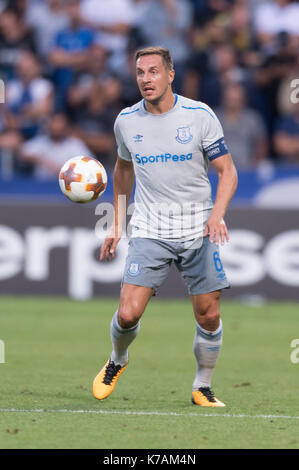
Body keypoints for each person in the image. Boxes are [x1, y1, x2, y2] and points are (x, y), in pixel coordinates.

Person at [93, 46, 238, 407]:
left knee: (209, 314)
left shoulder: (199, 115)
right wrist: (116, 221)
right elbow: (123, 169)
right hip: (150, 227)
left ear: (170, 75)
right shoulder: (126, 121)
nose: (146, 79)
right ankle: (117, 359)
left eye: (153, 72)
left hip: (197, 229)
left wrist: (216, 214)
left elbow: (228, 171)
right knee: (127, 314)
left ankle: (202, 386)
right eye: (140, 73)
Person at [19, 112, 93, 180]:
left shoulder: (74, 144)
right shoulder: (41, 142)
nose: (57, 126)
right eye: (54, 122)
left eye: (60, 123)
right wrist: (39, 159)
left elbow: (89, 162)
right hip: (41, 185)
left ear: (66, 126)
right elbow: (21, 151)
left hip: (68, 186)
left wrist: (65, 169)